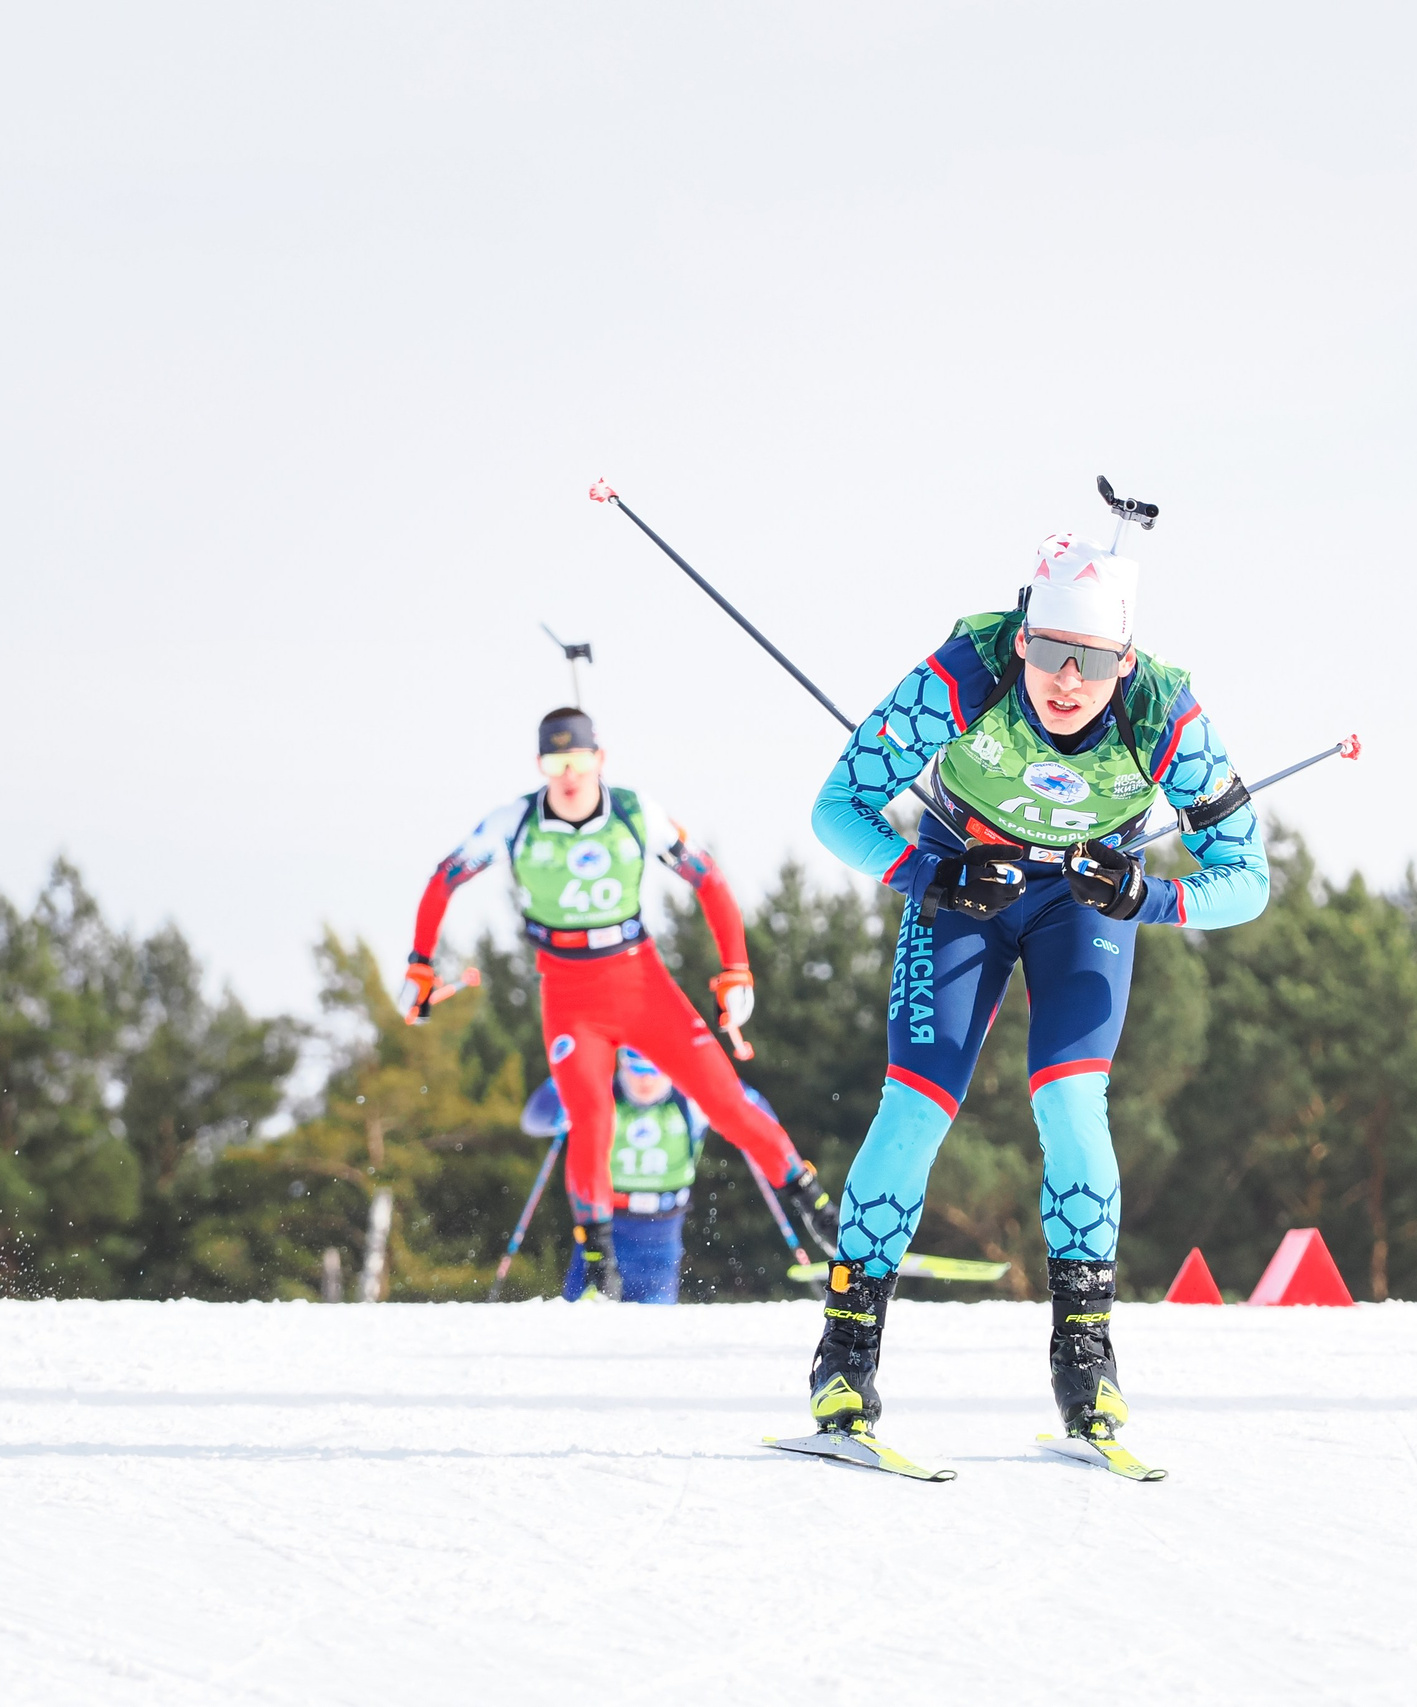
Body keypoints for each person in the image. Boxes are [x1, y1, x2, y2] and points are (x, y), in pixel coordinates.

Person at [802, 531, 1267, 1449]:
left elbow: (1247, 878)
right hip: (964, 879)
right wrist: (930, 876)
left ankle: (1085, 1364)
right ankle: (845, 1356)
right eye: (1050, 651)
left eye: (1092, 660)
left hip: (1085, 902)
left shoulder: (1165, 716)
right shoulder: (961, 676)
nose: (1067, 680)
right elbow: (836, 810)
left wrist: (1147, 896)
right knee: (915, 1105)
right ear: (1021, 638)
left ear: (1125, 659)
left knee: (1073, 1104)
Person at [409, 706, 835, 1300]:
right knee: (591, 1118)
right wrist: (420, 963)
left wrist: (736, 969)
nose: (569, 775)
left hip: (639, 984)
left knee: (725, 1099)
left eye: (578, 760)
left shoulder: (636, 813)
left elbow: (709, 880)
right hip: (568, 993)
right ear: (540, 766)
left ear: (600, 760)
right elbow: (444, 878)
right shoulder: (516, 822)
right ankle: (596, 1254)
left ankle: (815, 1204)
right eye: (555, 763)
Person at [520, 1048, 786, 1304]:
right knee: (581, 1321)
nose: (645, 1080)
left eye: (654, 1070)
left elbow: (762, 1117)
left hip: (661, 1237)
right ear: (621, 1065)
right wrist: (571, 1076)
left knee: (651, 1326)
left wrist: (722, 1087)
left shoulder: (690, 1099)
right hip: (603, 1231)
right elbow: (534, 1120)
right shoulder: (602, 1093)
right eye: (636, 1070)